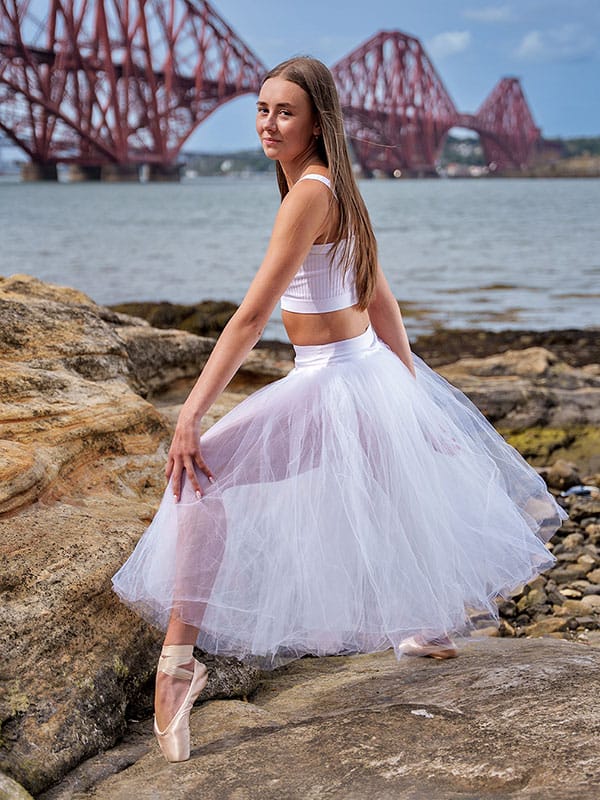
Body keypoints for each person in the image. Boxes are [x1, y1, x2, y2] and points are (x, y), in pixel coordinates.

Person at [112, 56, 567, 763]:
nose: (267, 122)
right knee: (382, 491)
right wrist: (409, 393)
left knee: (197, 478)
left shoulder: (308, 195)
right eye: (262, 109)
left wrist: (189, 413)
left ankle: (177, 668)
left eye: (284, 112)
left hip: (333, 379)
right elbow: (379, 297)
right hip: (367, 374)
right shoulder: (336, 187)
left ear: (317, 121)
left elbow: (251, 315)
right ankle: (420, 626)